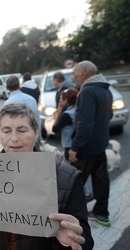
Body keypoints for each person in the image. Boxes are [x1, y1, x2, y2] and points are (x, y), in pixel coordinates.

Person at [0, 102, 94, 250]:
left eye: (22, 130)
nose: (13, 139)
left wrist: (68, 242)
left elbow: (85, 240)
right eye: (6, 131)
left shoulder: (66, 177)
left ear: (36, 133)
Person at [68, 60, 113, 227]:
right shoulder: (105, 90)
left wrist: (75, 147)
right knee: (101, 181)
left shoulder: (87, 91)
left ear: (84, 73)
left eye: (74, 73)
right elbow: (108, 116)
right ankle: (102, 214)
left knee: (72, 183)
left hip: (85, 148)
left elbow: (84, 124)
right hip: (100, 145)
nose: (72, 77)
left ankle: (73, 217)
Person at [4, 75, 42, 147]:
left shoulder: (8, 103)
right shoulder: (32, 99)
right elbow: (37, 120)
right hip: (33, 139)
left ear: (7, 88)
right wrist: (38, 139)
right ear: (19, 86)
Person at [52, 87, 79, 160]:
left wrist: (58, 112)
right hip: (78, 143)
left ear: (66, 100)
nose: (60, 101)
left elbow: (54, 129)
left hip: (69, 145)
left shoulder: (67, 115)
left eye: (61, 99)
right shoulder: (78, 109)